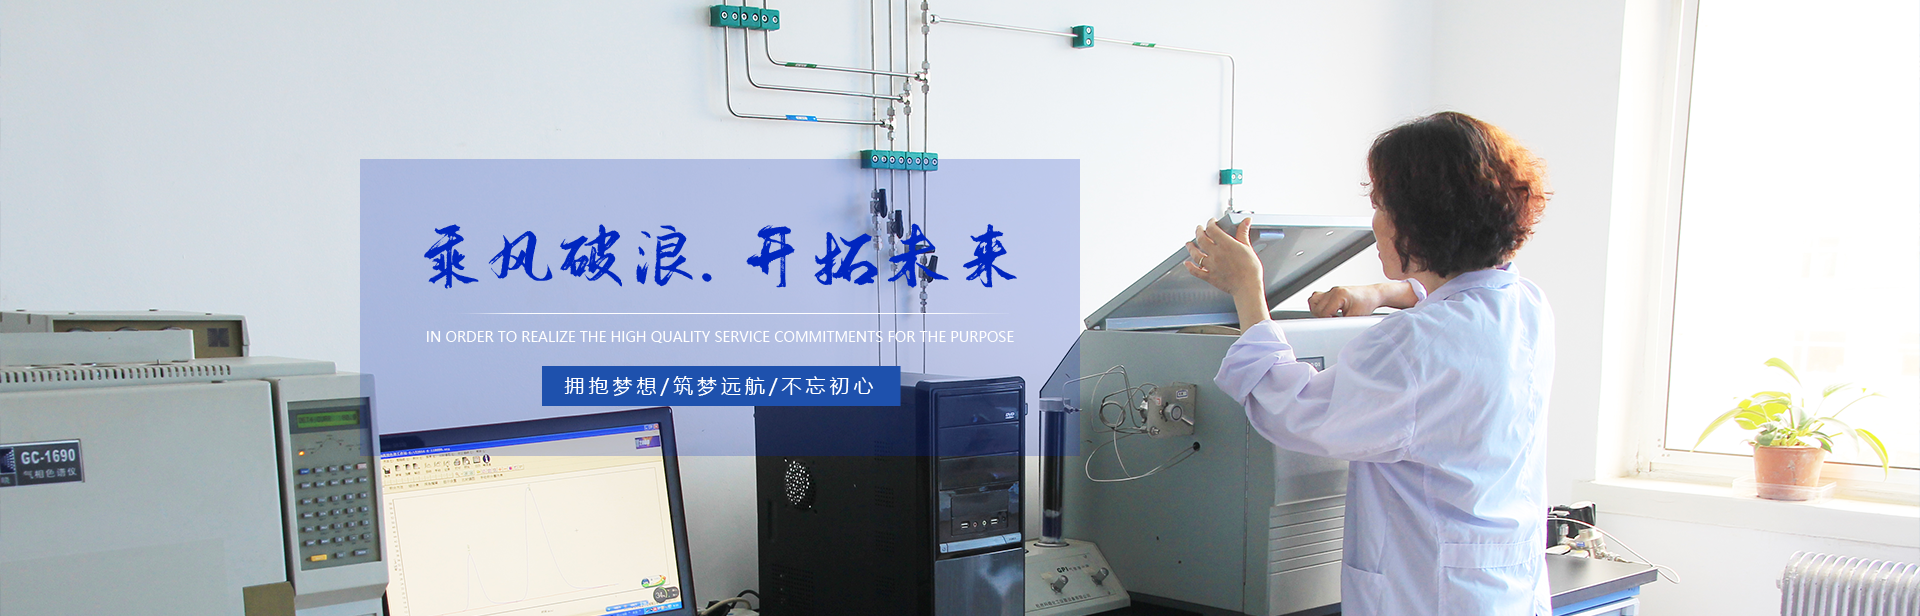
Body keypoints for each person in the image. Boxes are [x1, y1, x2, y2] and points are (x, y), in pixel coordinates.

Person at [1183, 111, 1554, 615]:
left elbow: (1292, 410)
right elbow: (1458, 298)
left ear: (1422, 221)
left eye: (1381, 205)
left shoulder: (1415, 344)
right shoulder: (1524, 304)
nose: (1375, 221)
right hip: (1504, 589)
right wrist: (1384, 291)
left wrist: (1247, 288)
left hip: (1431, 597)